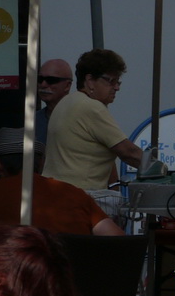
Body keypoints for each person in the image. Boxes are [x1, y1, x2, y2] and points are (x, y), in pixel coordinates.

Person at [0, 129, 123, 236]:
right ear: (40, 163)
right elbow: (117, 239)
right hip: (68, 290)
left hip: (15, 292)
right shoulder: (75, 195)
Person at [44, 49, 144, 193]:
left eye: (118, 82)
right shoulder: (92, 107)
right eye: (111, 81)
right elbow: (129, 152)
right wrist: (162, 169)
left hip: (52, 194)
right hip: (79, 198)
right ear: (90, 81)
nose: (116, 87)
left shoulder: (66, 102)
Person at [35, 57, 73, 144]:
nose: (43, 84)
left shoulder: (81, 117)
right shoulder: (33, 121)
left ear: (67, 86)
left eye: (51, 80)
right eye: (40, 79)